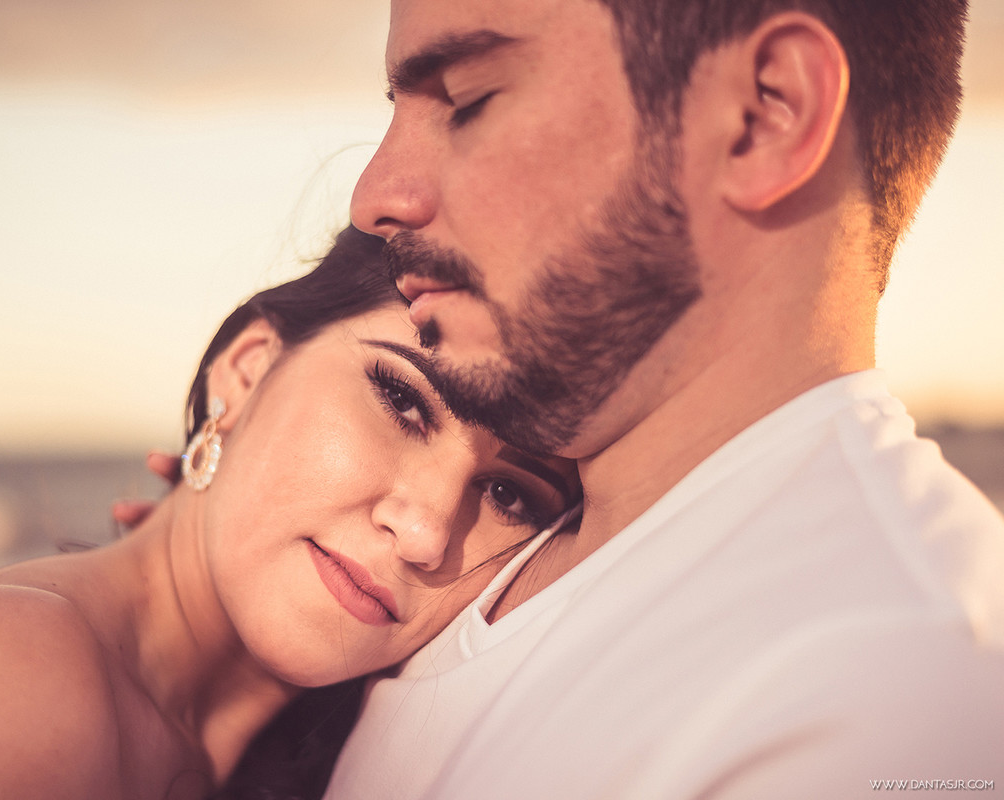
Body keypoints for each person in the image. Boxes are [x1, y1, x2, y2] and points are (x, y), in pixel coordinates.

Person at [317, 1, 1004, 798]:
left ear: (764, 117)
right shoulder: (501, 552)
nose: (374, 196)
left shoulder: (889, 682)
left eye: (468, 101)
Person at [0, 226, 580, 800]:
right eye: (404, 402)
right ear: (246, 377)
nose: (425, 533)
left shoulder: (307, 754)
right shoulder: (1, 679)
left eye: (510, 495)